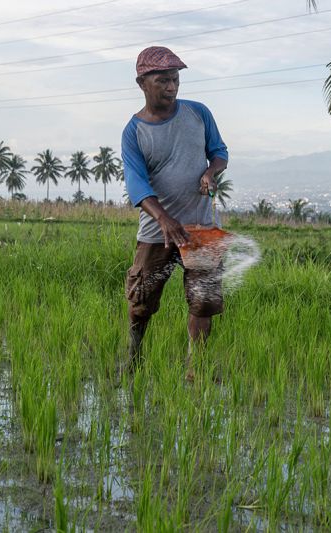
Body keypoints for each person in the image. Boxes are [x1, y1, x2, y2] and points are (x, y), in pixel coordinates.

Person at [121, 46, 228, 377]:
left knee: (203, 301)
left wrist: (211, 173)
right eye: (163, 80)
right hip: (157, 232)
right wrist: (165, 219)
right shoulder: (134, 132)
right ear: (142, 83)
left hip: (201, 227)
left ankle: (194, 369)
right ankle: (134, 355)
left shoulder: (198, 113)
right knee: (142, 298)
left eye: (176, 79)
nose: (171, 87)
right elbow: (137, 186)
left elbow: (219, 152)